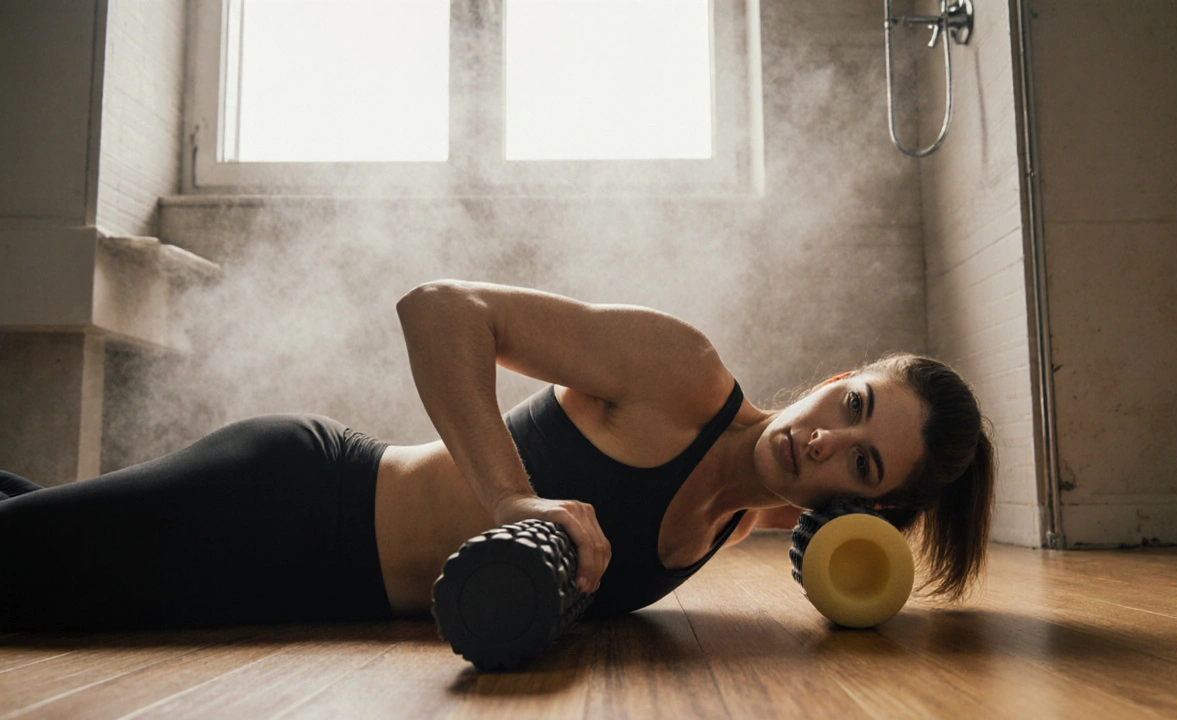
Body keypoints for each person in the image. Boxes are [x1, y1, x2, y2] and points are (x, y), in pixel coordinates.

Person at [0, 280, 994, 631]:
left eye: (859, 462)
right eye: (850, 404)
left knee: (48, 562)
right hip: (300, 501)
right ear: (834, 373)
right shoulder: (682, 376)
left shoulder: (753, 515)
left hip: (318, 600)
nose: (822, 437)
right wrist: (512, 500)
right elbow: (438, 310)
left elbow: (877, 580)